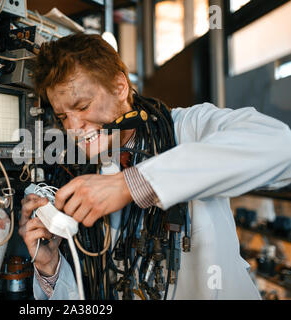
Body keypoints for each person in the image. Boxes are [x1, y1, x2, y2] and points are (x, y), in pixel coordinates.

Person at [18, 33, 291, 300]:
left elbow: (281, 146)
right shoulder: (86, 172)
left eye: (84, 106)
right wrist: (50, 267)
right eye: (63, 116)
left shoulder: (188, 127)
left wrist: (132, 184)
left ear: (119, 87)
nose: (74, 129)